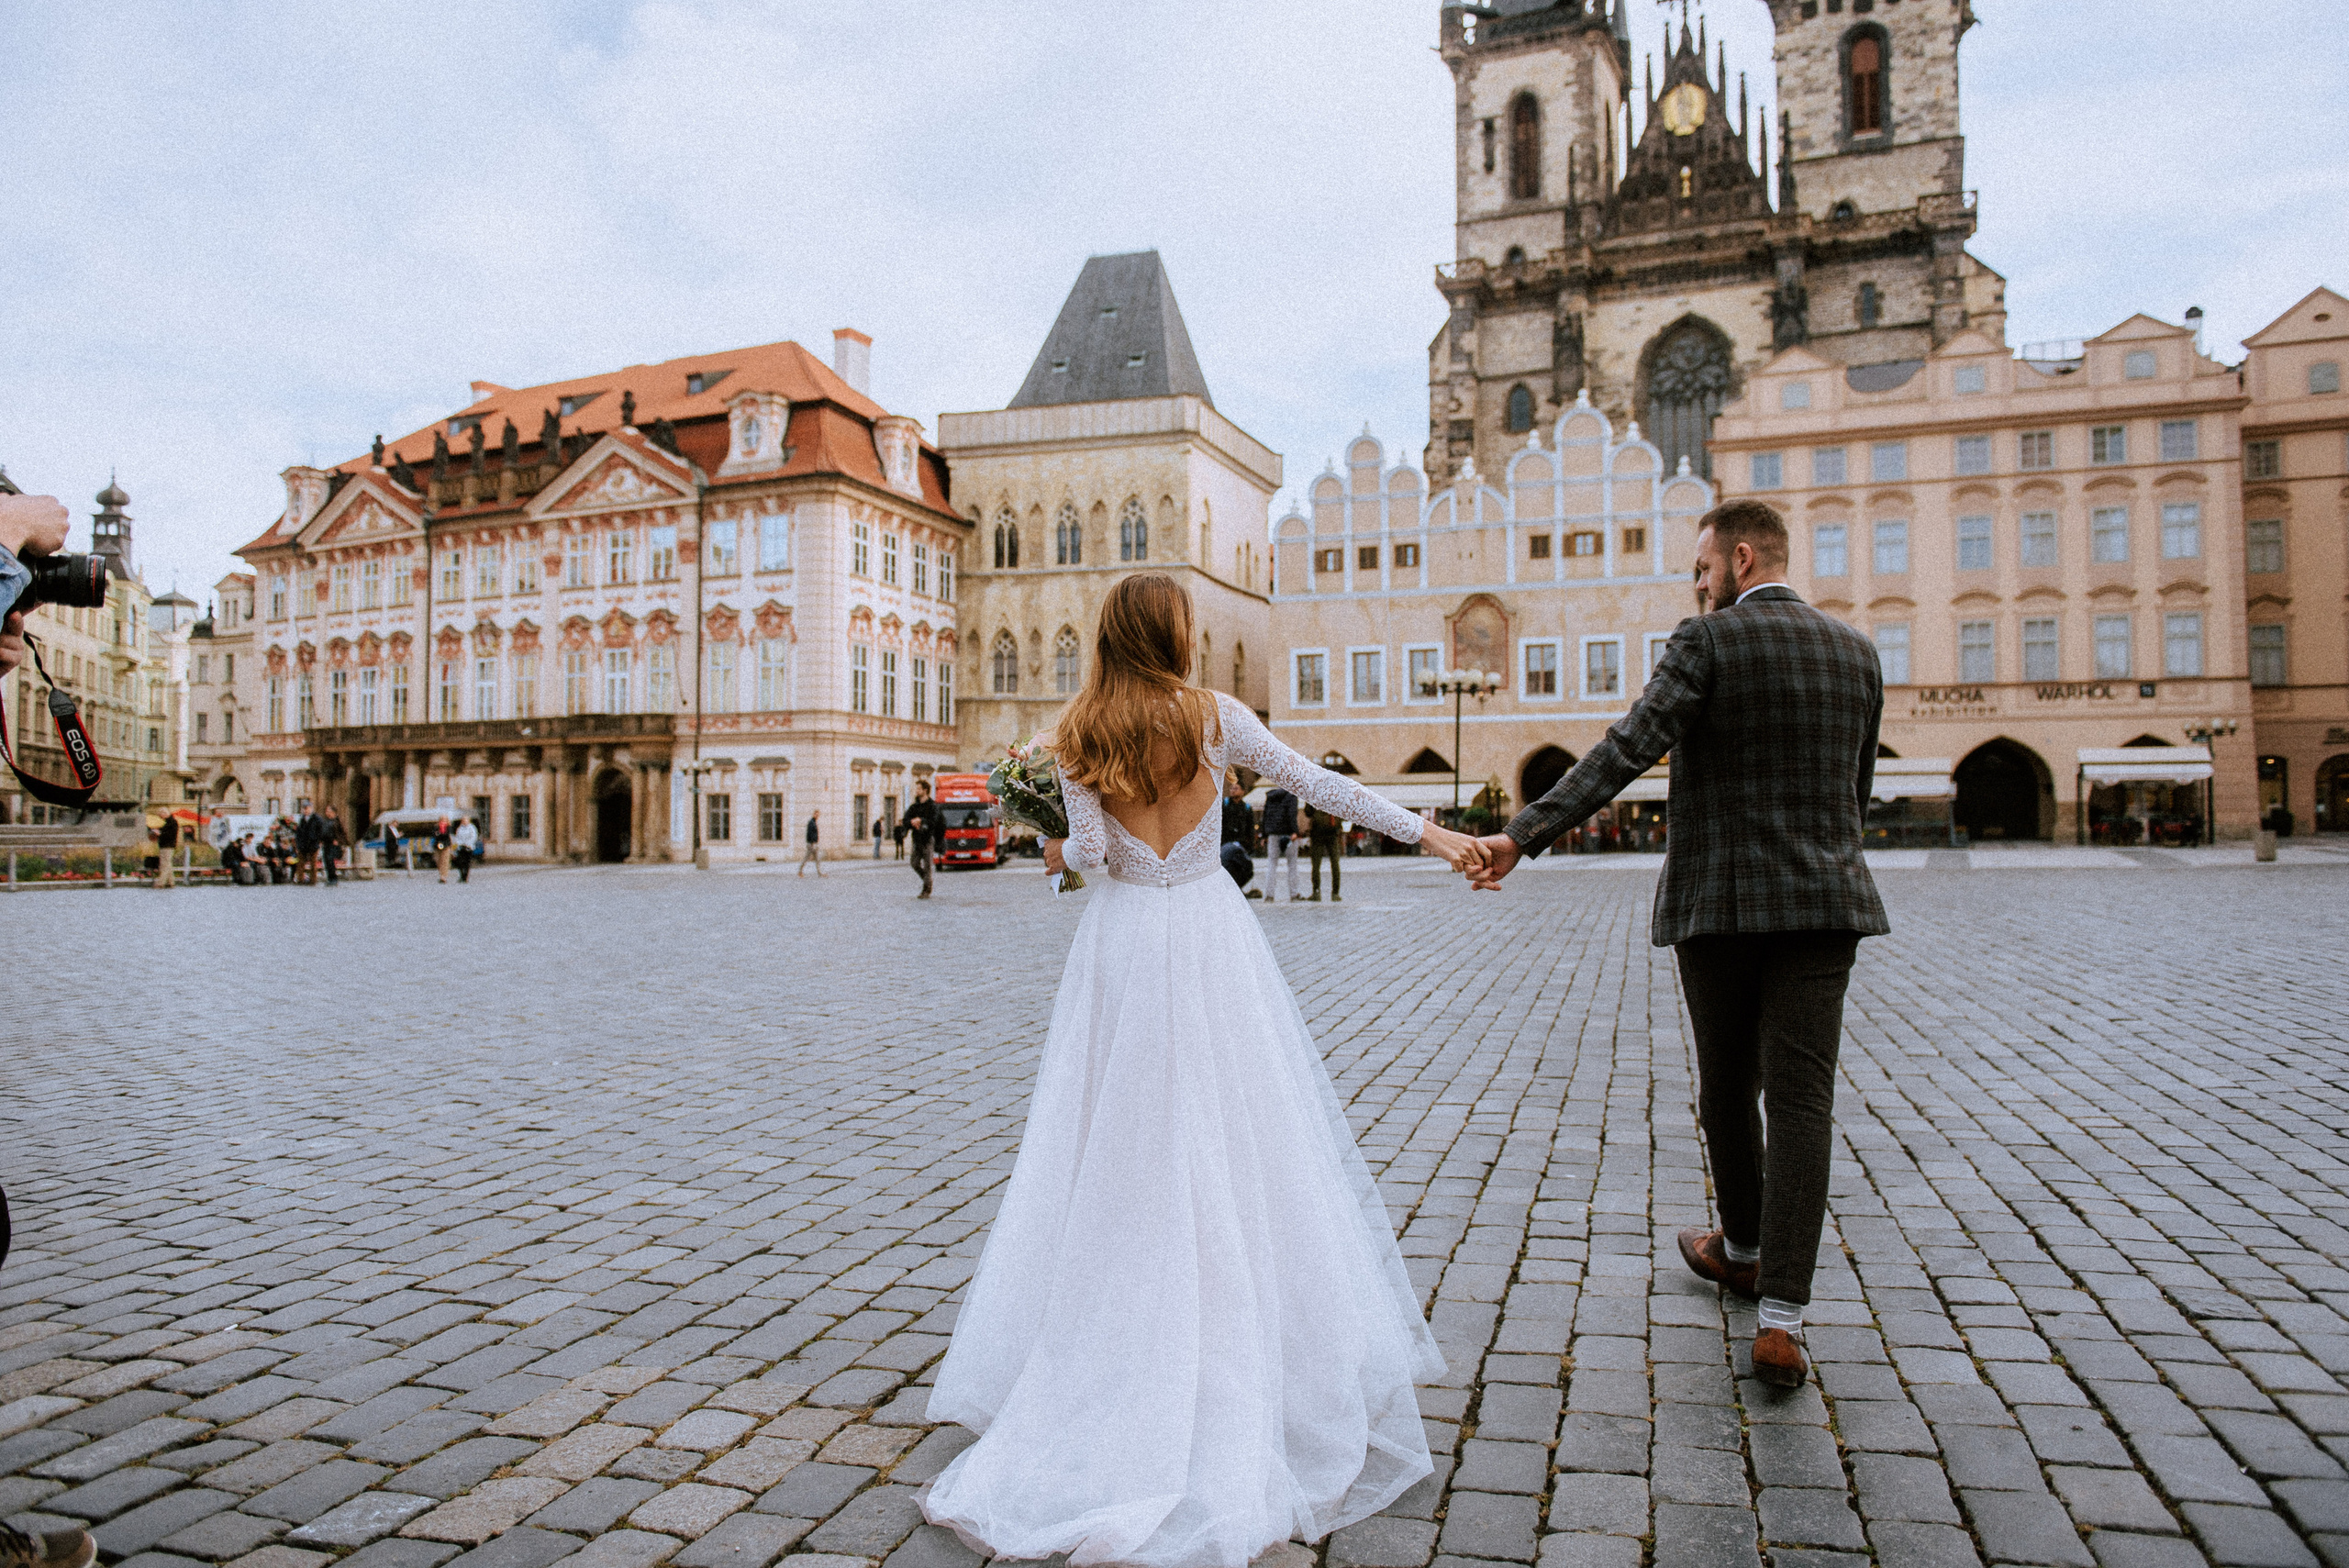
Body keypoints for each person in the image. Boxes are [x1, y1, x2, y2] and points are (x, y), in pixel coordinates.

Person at [921, 573, 1482, 1568]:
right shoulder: (1214, 716)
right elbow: (1323, 785)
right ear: (1172, 632)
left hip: (1126, 946)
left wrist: (1046, 840)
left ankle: (1117, 1342)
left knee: (1118, 1148)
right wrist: (1432, 833)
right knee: (1244, 1132)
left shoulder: (1083, 727)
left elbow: (1087, 856)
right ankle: (1252, 1342)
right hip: (1214, 938)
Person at [1464, 499, 1888, 1390]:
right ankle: (1780, 1319)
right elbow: (1856, 791)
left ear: (1739, 557)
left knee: (1727, 1089)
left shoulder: (1706, 642)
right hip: (1826, 902)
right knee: (1804, 1104)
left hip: (1724, 905)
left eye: (1701, 569)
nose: (1697, 585)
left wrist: (1523, 834)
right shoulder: (1857, 651)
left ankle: (1738, 1245)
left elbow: (1625, 749)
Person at [1218, 770, 1256, 895]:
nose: (1233, 790)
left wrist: (1250, 845)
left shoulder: (1247, 808)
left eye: (1236, 788)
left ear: (1243, 791)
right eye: (1232, 788)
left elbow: (1250, 828)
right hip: (1225, 844)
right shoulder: (1225, 805)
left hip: (1241, 844)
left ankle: (1235, 889)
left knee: (1244, 869)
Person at [902, 780, 941, 899]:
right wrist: (912, 822)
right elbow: (906, 820)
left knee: (928, 865)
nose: (916, 791)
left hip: (927, 839)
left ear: (925, 790)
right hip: (917, 839)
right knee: (914, 863)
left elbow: (934, 821)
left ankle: (926, 889)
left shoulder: (932, 806)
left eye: (919, 789)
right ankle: (927, 880)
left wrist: (922, 821)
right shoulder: (914, 806)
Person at [1262, 785, 1299, 902]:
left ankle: (1269, 894)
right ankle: (1294, 894)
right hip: (1288, 834)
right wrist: (1295, 831)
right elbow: (1291, 814)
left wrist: (1264, 834)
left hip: (1273, 833)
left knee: (1272, 864)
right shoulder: (1291, 796)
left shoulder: (1270, 796)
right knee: (1292, 864)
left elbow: (1265, 816)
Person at [1306, 802, 1344, 902]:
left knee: (1316, 864)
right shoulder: (1336, 791)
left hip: (1317, 832)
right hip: (1333, 831)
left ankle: (1316, 892)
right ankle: (1335, 893)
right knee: (1335, 863)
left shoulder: (1313, 792)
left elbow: (1308, 812)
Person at [319, 806, 348, 886]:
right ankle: (330, 878)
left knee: (330, 860)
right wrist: (321, 840)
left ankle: (334, 878)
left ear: (333, 812)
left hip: (333, 844)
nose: (327, 813)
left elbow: (343, 833)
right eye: (326, 811)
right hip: (326, 843)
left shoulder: (337, 821)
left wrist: (339, 841)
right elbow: (323, 832)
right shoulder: (326, 821)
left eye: (329, 811)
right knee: (326, 861)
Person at [152, 813, 179, 889]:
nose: (161, 818)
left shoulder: (172, 823)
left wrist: (159, 834)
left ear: (164, 814)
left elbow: (169, 835)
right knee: (168, 864)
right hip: (166, 846)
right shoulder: (169, 822)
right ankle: (171, 882)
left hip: (167, 846)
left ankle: (161, 883)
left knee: (165, 865)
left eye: (161, 816)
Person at [451, 814, 480, 883]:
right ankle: (461, 875)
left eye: (465, 820)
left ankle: (465, 877)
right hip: (461, 847)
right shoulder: (460, 828)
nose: (464, 821)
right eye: (463, 820)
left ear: (468, 821)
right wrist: (459, 843)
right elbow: (457, 837)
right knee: (460, 862)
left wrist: (468, 844)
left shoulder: (472, 828)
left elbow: (473, 837)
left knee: (467, 863)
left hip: (468, 847)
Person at [797, 809, 823, 877]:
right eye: (816, 814)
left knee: (817, 858)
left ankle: (819, 873)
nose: (817, 816)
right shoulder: (811, 823)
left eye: (818, 815)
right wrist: (812, 843)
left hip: (813, 844)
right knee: (807, 858)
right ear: (813, 814)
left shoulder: (813, 822)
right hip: (812, 844)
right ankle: (800, 871)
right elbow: (810, 834)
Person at [431, 815, 452, 883]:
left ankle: (443, 876)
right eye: (442, 819)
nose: (443, 821)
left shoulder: (449, 827)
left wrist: (440, 833)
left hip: (446, 845)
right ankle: (441, 873)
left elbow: (447, 835)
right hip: (437, 845)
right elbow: (434, 834)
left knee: (445, 861)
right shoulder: (436, 827)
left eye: (445, 819)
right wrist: (439, 833)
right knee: (438, 860)